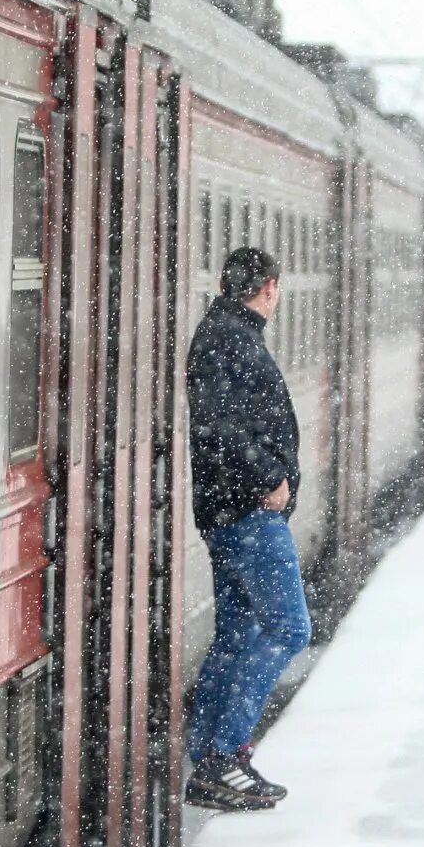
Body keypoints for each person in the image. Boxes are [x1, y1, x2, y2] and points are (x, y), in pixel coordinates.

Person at [182, 246, 311, 811]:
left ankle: (211, 756)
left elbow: (223, 421)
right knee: (289, 630)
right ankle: (226, 754)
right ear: (270, 288)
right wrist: (268, 478)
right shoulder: (230, 339)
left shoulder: (224, 333)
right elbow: (223, 425)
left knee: (238, 635)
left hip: (230, 510)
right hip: (246, 513)